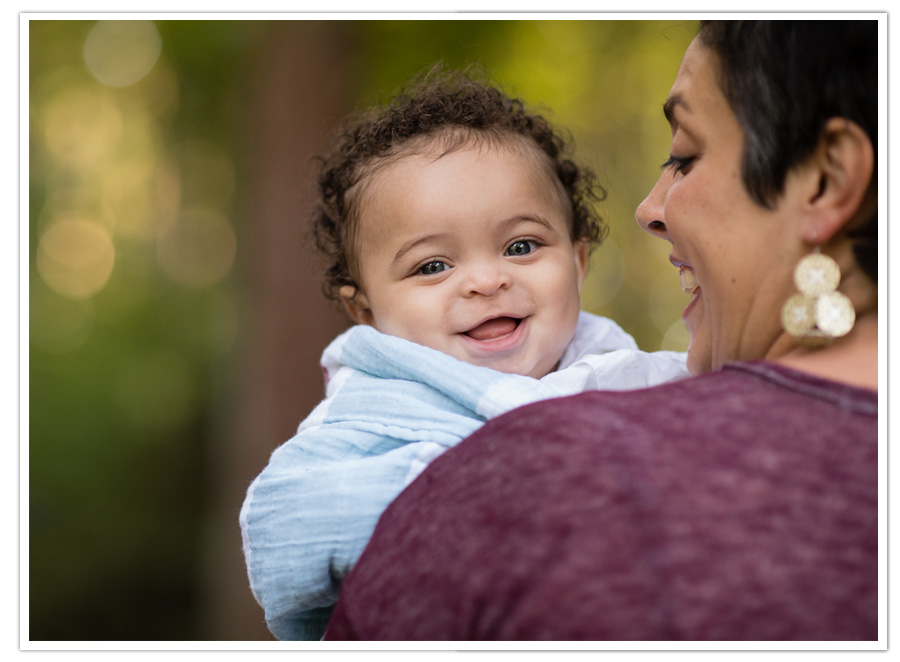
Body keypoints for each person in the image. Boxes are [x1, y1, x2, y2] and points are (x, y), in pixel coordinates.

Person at [322, 20, 879, 641]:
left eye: (685, 157)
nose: (648, 209)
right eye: (432, 266)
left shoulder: (531, 479)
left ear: (826, 178)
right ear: (364, 312)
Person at [240, 70, 689, 640]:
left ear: (578, 264)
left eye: (521, 246)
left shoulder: (628, 371)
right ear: (367, 313)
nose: (485, 279)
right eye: (433, 265)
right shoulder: (369, 412)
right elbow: (286, 522)